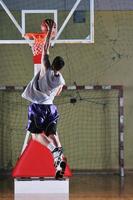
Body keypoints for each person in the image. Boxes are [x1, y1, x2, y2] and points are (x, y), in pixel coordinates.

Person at [22, 19, 66, 179]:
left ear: (52, 63)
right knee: (53, 135)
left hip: (38, 108)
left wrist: (48, 33)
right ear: (61, 68)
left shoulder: (45, 67)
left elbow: (46, 48)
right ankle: (59, 159)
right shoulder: (60, 79)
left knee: (35, 135)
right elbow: (59, 92)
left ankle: (54, 151)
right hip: (51, 108)